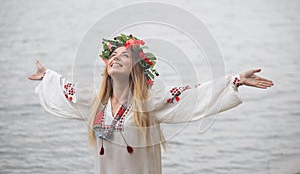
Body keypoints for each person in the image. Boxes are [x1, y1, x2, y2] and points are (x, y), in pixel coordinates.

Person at [28, 34, 274, 174]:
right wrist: (47, 75)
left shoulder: (151, 102)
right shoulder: (94, 102)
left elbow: (193, 95)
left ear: (137, 68)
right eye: (112, 56)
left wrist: (235, 80)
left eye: (124, 55)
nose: (115, 58)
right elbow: (63, 90)